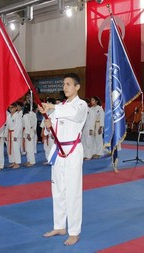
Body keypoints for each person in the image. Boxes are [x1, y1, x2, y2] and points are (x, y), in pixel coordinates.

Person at [39, 73, 88, 246]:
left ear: (77, 87)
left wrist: (52, 107)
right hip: (58, 151)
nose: (65, 87)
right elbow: (49, 126)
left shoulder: (81, 105)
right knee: (58, 189)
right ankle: (59, 225)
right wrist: (47, 125)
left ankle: (74, 231)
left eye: (68, 84)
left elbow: (73, 115)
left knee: (73, 191)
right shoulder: (60, 106)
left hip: (73, 150)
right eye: (64, 84)